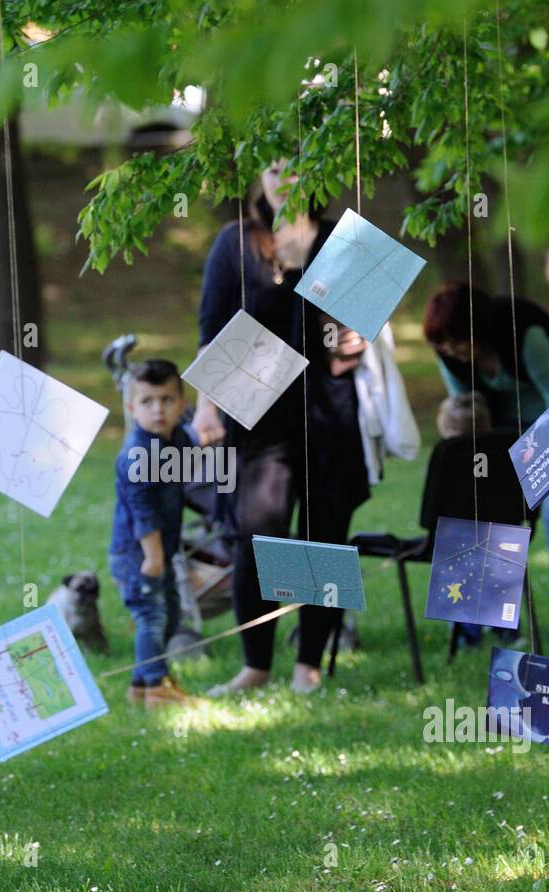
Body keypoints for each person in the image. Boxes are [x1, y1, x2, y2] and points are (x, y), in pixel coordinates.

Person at [193, 165, 376, 696]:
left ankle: (308, 666)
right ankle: (256, 665)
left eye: (295, 166)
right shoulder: (236, 243)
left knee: (324, 536)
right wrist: (206, 408)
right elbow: (211, 332)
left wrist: (352, 338)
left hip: (329, 415)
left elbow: (356, 341)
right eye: (272, 168)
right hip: (257, 415)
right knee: (257, 534)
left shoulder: (345, 242)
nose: (282, 179)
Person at [423, 281, 549, 637]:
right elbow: (471, 416)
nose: (450, 350)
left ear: (476, 331)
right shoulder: (449, 354)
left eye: (456, 341)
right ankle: (484, 622)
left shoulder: (523, 335)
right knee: (491, 507)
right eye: (442, 344)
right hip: (509, 415)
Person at [109, 359, 195, 707]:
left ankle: (141, 683)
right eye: (147, 402)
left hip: (164, 550)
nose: (158, 409)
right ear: (132, 408)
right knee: (152, 616)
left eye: (167, 400)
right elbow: (141, 511)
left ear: (182, 405)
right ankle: (157, 689)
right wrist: (155, 556)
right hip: (139, 554)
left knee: (171, 615)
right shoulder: (138, 453)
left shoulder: (180, 440)